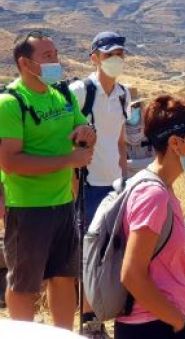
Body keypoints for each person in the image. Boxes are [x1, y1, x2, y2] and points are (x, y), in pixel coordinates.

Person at [0, 31, 96, 330]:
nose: (56, 61)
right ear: (25, 64)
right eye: (47, 56)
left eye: (56, 53)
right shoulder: (11, 103)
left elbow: (82, 125)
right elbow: (10, 162)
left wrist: (86, 133)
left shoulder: (63, 94)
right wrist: (69, 160)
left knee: (64, 277)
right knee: (25, 285)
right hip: (28, 207)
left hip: (64, 203)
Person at [117, 95, 185, 339]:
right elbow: (132, 274)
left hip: (160, 321)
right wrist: (178, 321)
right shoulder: (153, 194)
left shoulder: (162, 188)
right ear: (175, 143)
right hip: (154, 326)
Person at [70, 31, 131, 335]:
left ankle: (108, 316)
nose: (115, 60)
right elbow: (65, 138)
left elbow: (120, 141)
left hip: (115, 186)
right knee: (90, 255)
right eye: (108, 55)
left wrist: (125, 178)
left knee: (114, 253)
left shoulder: (124, 94)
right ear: (94, 57)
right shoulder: (81, 91)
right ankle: (89, 321)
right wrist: (73, 183)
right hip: (87, 186)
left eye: (119, 54)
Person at [124, 87, 154, 179]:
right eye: (129, 107)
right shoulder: (116, 132)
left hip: (150, 181)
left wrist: (127, 165)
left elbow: (158, 161)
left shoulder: (151, 128)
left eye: (135, 106)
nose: (133, 110)